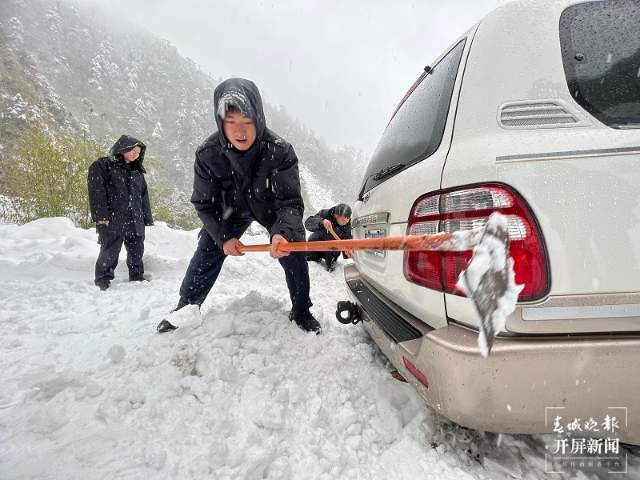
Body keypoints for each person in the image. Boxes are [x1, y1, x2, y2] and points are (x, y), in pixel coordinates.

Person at [157, 78, 320, 335]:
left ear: (259, 119)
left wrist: (283, 233)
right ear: (220, 122)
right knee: (209, 245)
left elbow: (289, 202)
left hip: (270, 208)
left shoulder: (280, 151)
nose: (240, 131)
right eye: (231, 122)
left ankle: (301, 309)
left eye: (247, 121)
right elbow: (204, 204)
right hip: (231, 210)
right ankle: (186, 306)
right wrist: (224, 237)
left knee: (293, 246)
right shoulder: (208, 153)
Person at [88, 135, 153, 290]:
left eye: (138, 153)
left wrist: (146, 217)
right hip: (113, 218)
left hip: (134, 218)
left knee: (137, 250)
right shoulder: (103, 165)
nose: (135, 154)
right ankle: (102, 279)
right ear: (123, 147)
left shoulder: (137, 172)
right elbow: (97, 192)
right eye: (133, 150)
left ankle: (136, 276)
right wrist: (101, 216)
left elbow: (143, 196)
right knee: (110, 249)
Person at [304, 203, 352, 271]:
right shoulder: (326, 214)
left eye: (348, 218)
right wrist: (322, 221)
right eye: (343, 220)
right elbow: (308, 223)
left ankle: (330, 263)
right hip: (316, 245)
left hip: (332, 253)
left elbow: (347, 243)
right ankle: (311, 258)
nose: (346, 221)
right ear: (336, 215)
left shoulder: (348, 227)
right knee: (310, 262)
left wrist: (348, 252)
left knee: (333, 252)